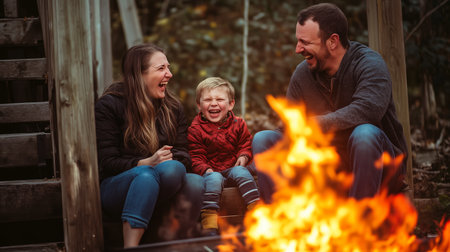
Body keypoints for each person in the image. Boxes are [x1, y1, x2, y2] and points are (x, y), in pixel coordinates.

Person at [253, 3, 408, 201]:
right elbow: (288, 130)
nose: (297, 49)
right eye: (297, 41)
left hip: (381, 167)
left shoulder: (369, 64)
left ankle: (359, 222)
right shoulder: (303, 73)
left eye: (305, 42)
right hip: (328, 168)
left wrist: (316, 123)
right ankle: (281, 221)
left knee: (365, 133)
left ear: (332, 41)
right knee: (263, 139)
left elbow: (368, 111)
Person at [95, 43, 204, 248]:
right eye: (161, 68)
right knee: (146, 175)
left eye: (168, 67)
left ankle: (173, 246)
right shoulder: (109, 106)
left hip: (164, 181)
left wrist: (166, 160)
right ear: (139, 74)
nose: (169, 74)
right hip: (117, 189)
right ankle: (131, 247)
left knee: (193, 182)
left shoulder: (172, 107)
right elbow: (107, 162)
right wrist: (146, 163)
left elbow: (183, 153)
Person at [187, 77, 260, 236]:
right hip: (210, 171)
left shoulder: (238, 123)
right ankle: (209, 223)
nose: (214, 103)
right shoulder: (195, 129)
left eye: (219, 99)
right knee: (214, 179)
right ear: (199, 105)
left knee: (242, 172)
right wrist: (205, 169)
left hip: (232, 167)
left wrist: (243, 156)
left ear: (231, 104)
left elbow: (245, 143)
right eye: (207, 100)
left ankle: (256, 211)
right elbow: (195, 155)